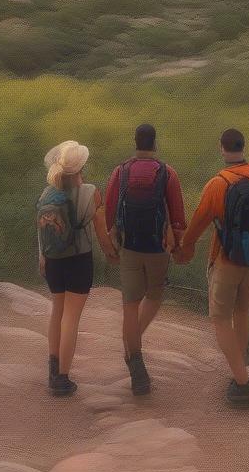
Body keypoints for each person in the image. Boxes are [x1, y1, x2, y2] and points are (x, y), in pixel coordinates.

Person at [174, 128, 249, 408]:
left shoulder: (218, 184)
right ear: (243, 146)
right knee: (242, 309)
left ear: (222, 148)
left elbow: (199, 221)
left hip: (228, 259)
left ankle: (243, 384)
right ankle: (237, 369)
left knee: (220, 319)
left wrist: (186, 246)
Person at [105, 123, 187, 394]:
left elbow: (109, 210)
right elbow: (177, 216)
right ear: (155, 143)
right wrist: (178, 245)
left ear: (135, 142)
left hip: (129, 247)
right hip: (157, 249)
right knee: (153, 298)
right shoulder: (167, 173)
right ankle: (133, 345)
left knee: (130, 305)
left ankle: (136, 365)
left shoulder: (121, 172)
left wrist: (113, 243)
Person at [37, 140, 119, 397]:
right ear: (81, 166)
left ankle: (52, 368)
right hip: (78, 260)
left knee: (57, 311)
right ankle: (62, 378)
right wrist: (111, 253)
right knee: (71, 317)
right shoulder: (91, 192)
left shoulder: (46, 193)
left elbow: (40, 231)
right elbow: (101, 230)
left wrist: (43, 258)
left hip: (52, 260)